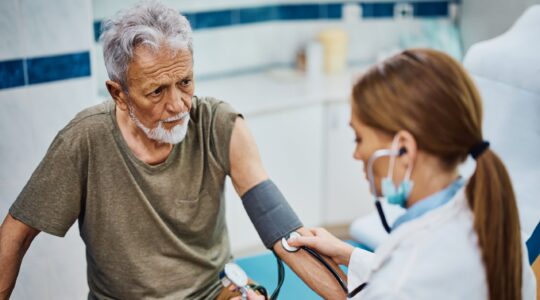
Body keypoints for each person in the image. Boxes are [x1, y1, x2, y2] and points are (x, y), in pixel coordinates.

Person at [0, 1, 346, 299]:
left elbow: (283, 233)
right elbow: (16, 233)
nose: (179, 105)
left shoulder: (220, 125)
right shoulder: (84, 140)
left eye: (185, 82)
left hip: (215, 290)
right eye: (157, 92)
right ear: (118, 93)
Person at [236, 49, 537, 300]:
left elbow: (403, 282)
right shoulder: (492, 218)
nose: (357, 154)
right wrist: (348, 254)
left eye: (359, 139)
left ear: (403, 148)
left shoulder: (404, 280)